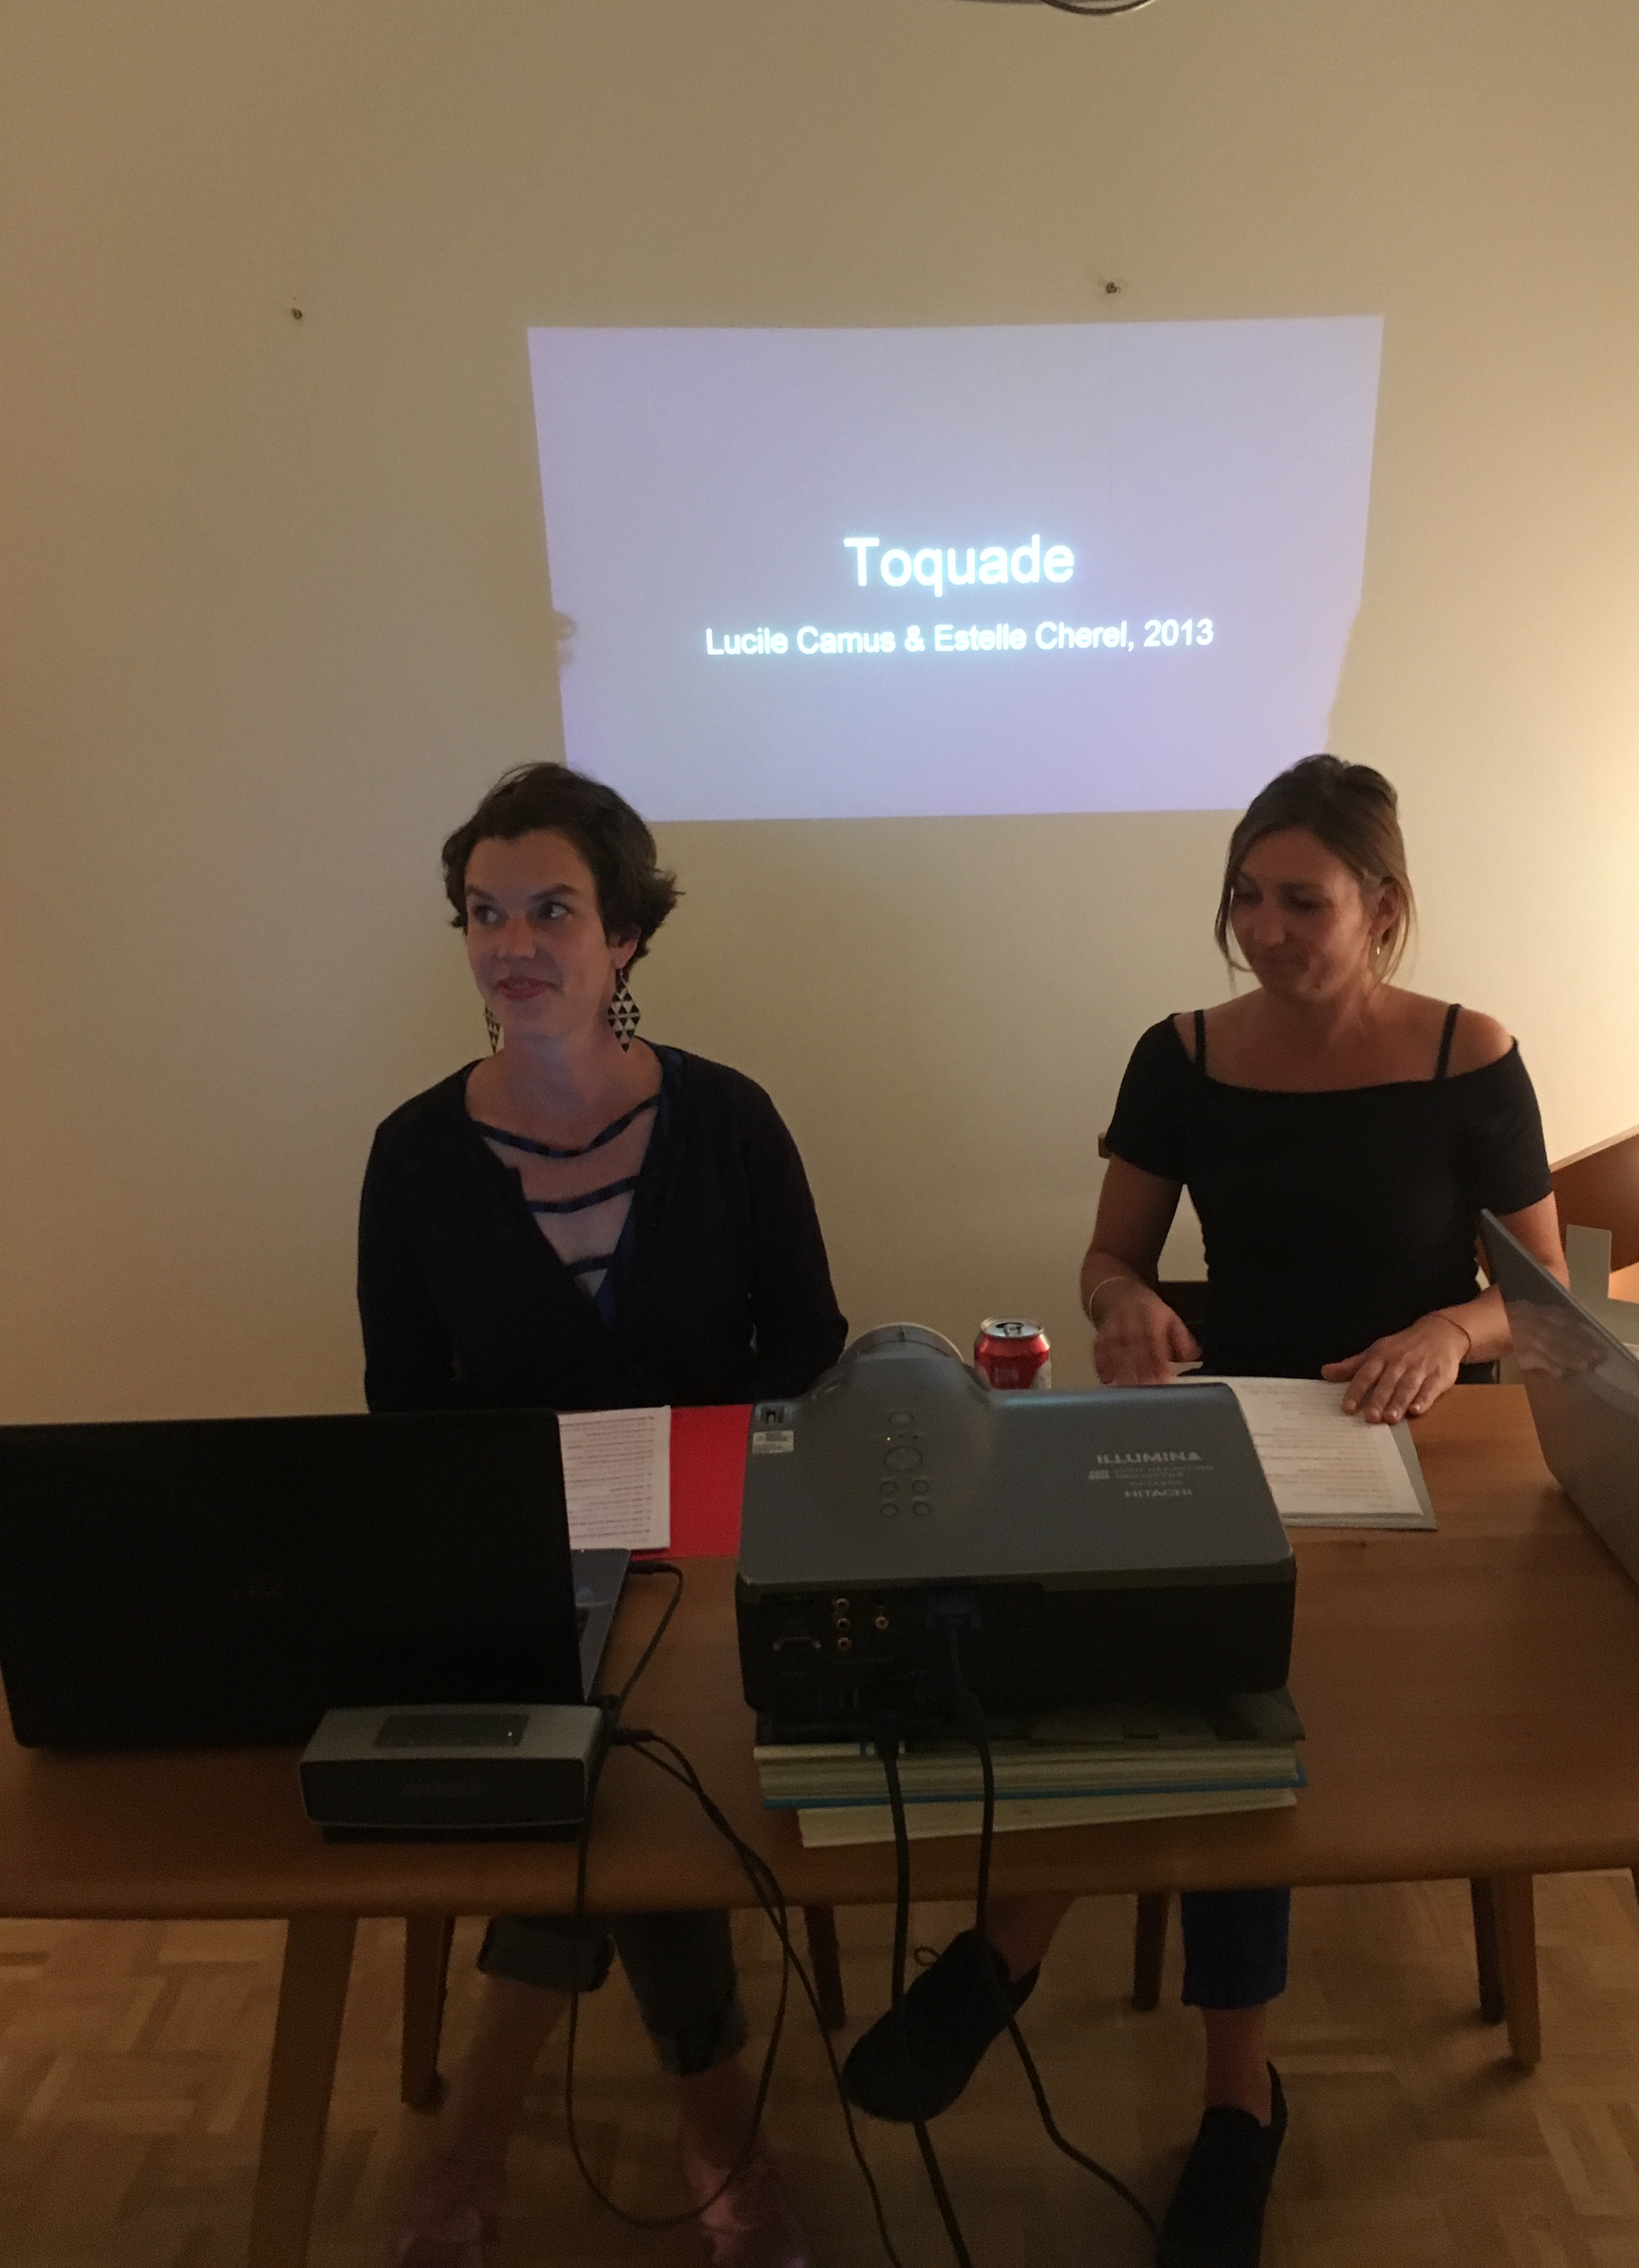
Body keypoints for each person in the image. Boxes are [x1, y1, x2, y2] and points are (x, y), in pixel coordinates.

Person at [839, 753, 1567, 2268]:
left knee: (1236, 1689)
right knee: (1163, 1662)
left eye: (1303, 901)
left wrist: (1448, 1332)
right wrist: (1125, 1309)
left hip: (1408, 1459)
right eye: (1247, 898)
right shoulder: (1181, 1055)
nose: (1266, 931)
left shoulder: (1470, 1054)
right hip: (1234, 1437)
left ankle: (1043, 1974)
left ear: (1384, 904)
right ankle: (1228, 2097)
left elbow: (1538, 1299)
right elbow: (1112, 1261)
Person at [359, 762, 846, 2268]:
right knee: (611, 1757)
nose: (513, 943)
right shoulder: (415, 1157)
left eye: (551, 911)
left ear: (624, 934)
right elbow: (404, 1410)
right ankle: (721, 2132)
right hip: (528, 1577)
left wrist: (701, 1481)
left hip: (711, 1557)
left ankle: (473, 2145)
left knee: (611, 1757)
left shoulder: (730, 1120)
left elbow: (809, 1348)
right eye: (484, 913)